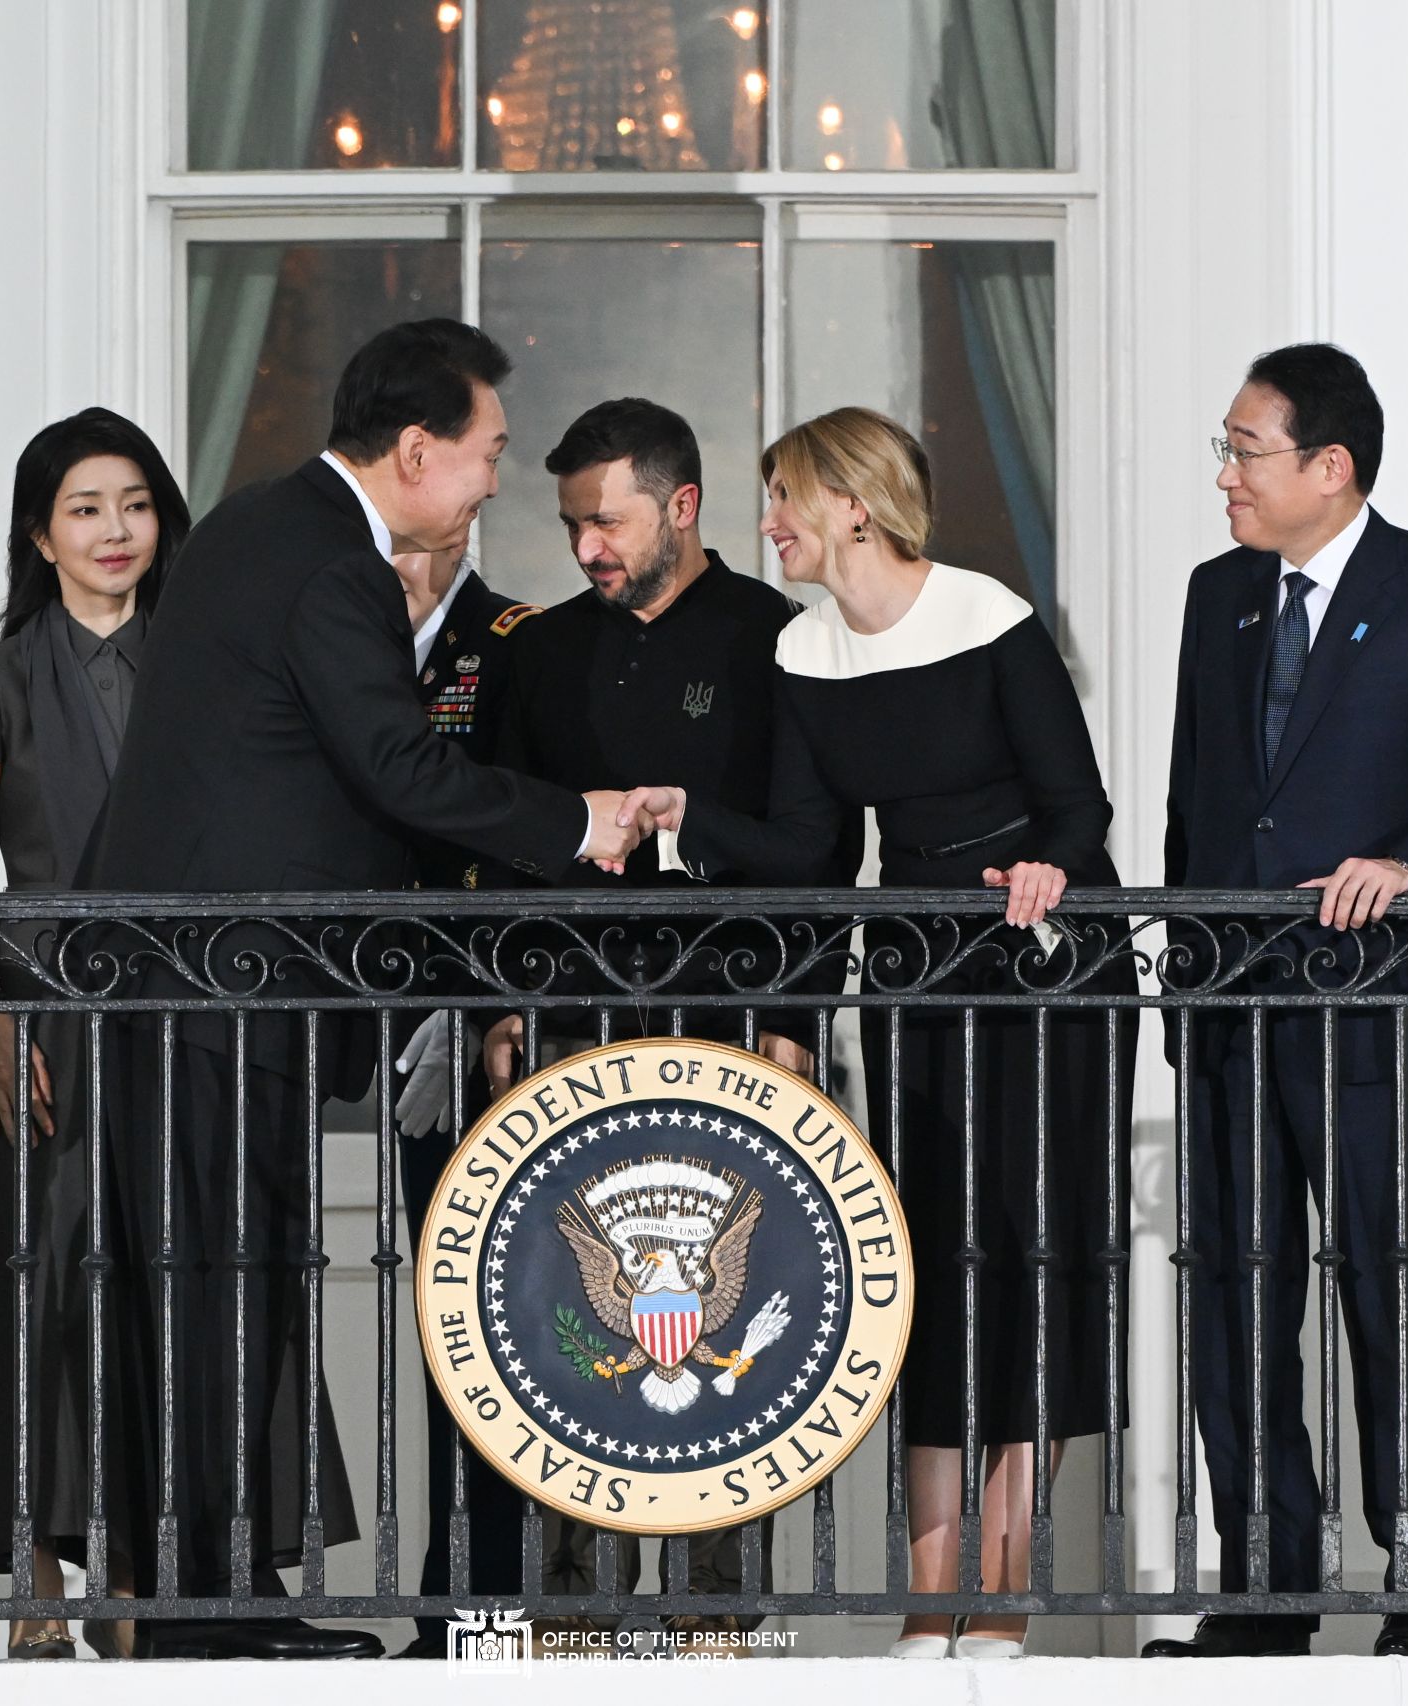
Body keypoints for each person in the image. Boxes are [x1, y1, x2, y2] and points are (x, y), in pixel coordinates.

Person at [84, 319, 642, 1661]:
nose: (494, 479)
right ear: (415, 449)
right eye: (488, 451)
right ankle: (208, 1618)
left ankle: (208, 1603)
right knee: (223, 1281)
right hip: (224, 980)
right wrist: (580, 818)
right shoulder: (328, 561)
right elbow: (398, 768)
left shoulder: (257, 526)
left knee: (221, 1278)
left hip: (198, 974)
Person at [617, 406, 1136, 1661]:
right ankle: (928, 1588)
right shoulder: (802, 649)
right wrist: (689, 815)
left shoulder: (991, 617)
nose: (769, 522)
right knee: (927, 1261)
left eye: (785, 496)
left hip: (1048, 969)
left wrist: (1044, 872)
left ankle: (1006, 1583)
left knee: (1032, 1249)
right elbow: (806, 849)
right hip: (912, 971)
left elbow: (1081, 803)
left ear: (854, 502)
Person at [1146, 344, 1408, 1660]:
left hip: (1370, 1010)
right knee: (1235, 1295)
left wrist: (1407, 864)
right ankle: (1263, 1587)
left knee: (1388, 1284)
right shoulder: (1220, 598)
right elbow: (1197, 803)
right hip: (1226, 1012)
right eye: (1226, 446)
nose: (1225, 475)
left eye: (1245, 450)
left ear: (1332, 466)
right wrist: (1182, 986)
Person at [468, 396, 854, 1637]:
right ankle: (571, 1613)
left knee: (721, 1322)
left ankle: (715, 1614)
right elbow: (496, 844)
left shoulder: (778, 640)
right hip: (568, 1026)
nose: (587, 543)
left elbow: (822, 852)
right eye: (572, 519)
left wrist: (794, 1015)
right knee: (560, 1317)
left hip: (731, 1029)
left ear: (681, 506)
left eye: (608, 518)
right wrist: (500, 1005)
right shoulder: (531, 653)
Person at [0, 406, 189, 1661]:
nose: (114, 529)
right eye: (85, 507)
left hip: (185, 1011)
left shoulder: (203, 665)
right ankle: (36, 1575)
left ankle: (139, 1581)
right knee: (39, 1284)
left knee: (164, 1282)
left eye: (133, 502)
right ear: (40, 531)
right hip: (42, 1010)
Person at [385, 543, 539, 1661]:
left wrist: (505, 994)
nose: (403, 558)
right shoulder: (342, 645)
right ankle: (460, 1613)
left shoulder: (518, 640)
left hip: (512, 1016)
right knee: (454, 1330)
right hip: (405, 1018)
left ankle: (532, 1603)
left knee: (537, 1330)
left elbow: (531, 824)